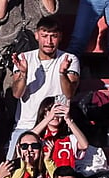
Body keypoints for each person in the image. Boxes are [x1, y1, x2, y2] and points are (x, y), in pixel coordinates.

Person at [9, 17, 79, 155]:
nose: (49, 41)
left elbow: (69, 93)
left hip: (56, 126)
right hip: (26, 126)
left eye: (53, 36)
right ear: (36, 36)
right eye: (44, 36)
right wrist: (23, 73)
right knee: (12, 168)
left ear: (60, 37)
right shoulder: (25, 58)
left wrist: (62, 73)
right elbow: (16, 94)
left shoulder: (69, 59)